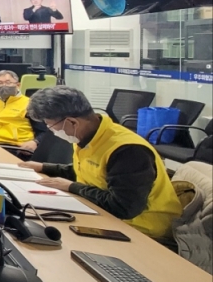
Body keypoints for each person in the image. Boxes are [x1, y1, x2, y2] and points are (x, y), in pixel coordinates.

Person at [18, 86, 182, 240]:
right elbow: (89, 171)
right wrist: (43, 167)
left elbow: (124, 207)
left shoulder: (128, 150)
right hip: (103, 213)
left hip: (142, 230)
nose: (52, 131)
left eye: (50, 125)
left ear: (72, 122)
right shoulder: (86, 135)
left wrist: (72, 187)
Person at [0, 70, 49, 154]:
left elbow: (43, 131)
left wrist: (35, 142)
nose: (4, 86)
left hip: (15, 147)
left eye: (8, 82)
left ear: (18, 85)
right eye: (0, 83)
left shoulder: (29, 103)